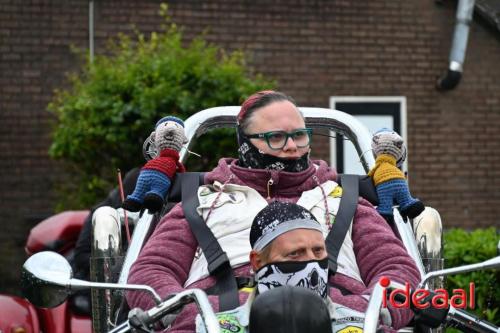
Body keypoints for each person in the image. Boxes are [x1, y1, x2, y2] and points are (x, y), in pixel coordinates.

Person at [126, 90, 421, 332]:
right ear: (245, 144)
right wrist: (192, 315)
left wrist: (360, 311)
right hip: (213, 321)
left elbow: (398, 269)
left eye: (300, 135)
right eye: (276, 137)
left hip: (342, 320)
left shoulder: (344, 199)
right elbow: (151, 270)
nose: (292, 147)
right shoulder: (203, 199)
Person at [196, 201, 392, 333]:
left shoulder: (365, 325)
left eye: (318, 251)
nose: (312, 263)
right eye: (295, 253)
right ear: (257, 262)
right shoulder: (213, 327)